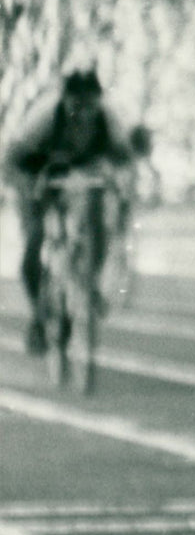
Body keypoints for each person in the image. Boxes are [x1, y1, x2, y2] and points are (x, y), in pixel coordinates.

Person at [3, 68, 134, 354]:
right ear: (64, 100)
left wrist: (122, 192)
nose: (83, 116)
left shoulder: (108, 120)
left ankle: (85, 284)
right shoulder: (44, 118)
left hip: (80, 179)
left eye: (90, 107)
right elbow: (9, 163)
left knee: (98, 221)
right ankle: (39, 316)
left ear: (99, 102)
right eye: (76, 107)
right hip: (39, 177)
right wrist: (29, 185)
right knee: (35, 242)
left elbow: (126, 162)